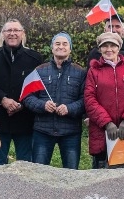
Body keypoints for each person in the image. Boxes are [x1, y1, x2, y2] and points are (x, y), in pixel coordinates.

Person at [0, 19, 44, 166]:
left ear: (22, 34)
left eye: (16, 30)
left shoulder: (35, 58)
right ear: (3, 34)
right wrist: (3, 99)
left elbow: (38, 86)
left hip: (24, 118)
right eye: (9, 30)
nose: (12, 33)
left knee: (25, 163)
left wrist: (21, 104)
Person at [23, 33, 86, 169]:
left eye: (65, 44)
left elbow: (85, 100)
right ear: (52, 48)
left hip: (71, 132)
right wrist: (42, 105)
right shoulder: (39, 71)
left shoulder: (80, 72)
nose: (61, 47)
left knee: (71, 174)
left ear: (70, 49)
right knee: (39, 173)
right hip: (43, 131)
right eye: (57, 44)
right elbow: (27, 97)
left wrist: (70, 108)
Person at [84, 32, 124, 168]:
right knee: (101, 176)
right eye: (104, 46)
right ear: (99, 49)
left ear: (119, 48)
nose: (109, 49)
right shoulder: (94, 71)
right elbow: (89, 98)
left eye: (113, 45)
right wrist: (107, 123)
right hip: (102, 131)